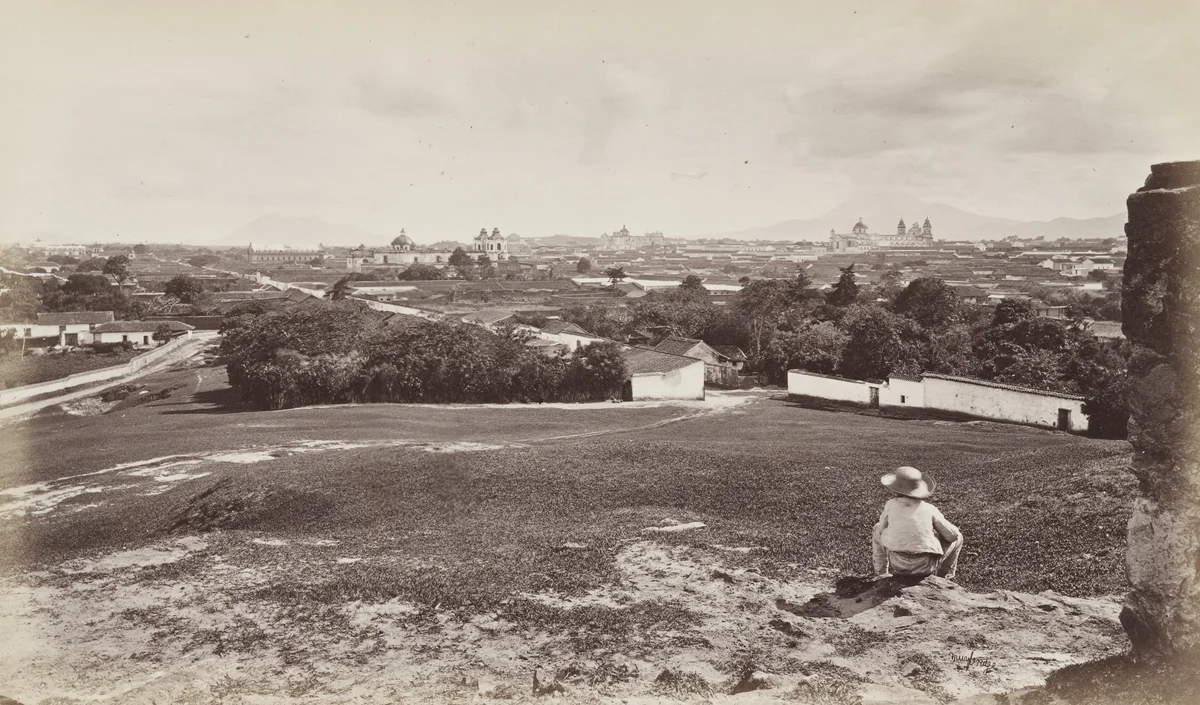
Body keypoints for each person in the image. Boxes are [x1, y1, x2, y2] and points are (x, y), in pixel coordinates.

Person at [872, 466, 963, 580]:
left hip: (897, 562)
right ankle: (943, 577)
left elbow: (880, 530)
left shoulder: (890, 505)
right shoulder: (929, 508)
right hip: (925, 566)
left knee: (876, 528)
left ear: (895, 488)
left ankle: (881, 574)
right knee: (959, 537)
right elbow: (952, 536)